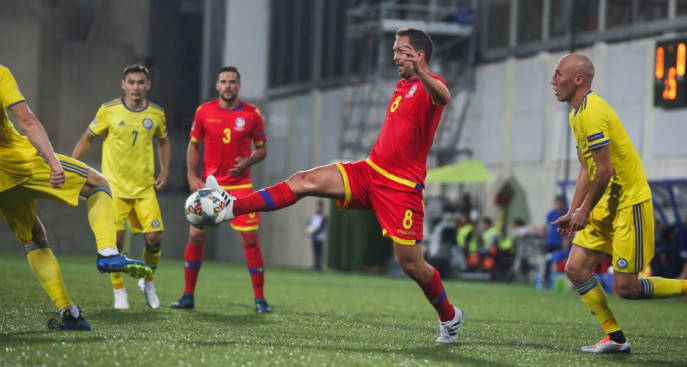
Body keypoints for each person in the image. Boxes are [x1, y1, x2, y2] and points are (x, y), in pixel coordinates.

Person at [197, 28, 464, 343]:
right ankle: (229, 207)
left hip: (401, 187)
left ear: (419, 55)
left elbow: (444, 97)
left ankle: (449, 316)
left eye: (401, 50)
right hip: (371, 170)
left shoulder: (432, 85)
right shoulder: (402, 85)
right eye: (393, 50)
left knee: (411, 264)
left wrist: (422, 72)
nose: (394, 56)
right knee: (303, 181)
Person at [549, 54, 687, 353]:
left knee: (626, 288)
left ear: (578, 79)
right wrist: (574, 210)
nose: (552, 81)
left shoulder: (591, 113)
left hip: (629, 204)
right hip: (604, 204)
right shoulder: (576, 115)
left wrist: (584, 210)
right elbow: (587, 168)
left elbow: (605, 170)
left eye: (558, 74)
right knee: (575, 269)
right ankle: (615, 338)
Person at [0, 65, 152, 330]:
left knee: (34, 237)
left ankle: (68, 312)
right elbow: (26, 120)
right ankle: (107, 252)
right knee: (98, 184)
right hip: (16, 162)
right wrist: (53, 162)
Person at [170, 66, 273, 313]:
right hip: (210, 188)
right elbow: (193, 145)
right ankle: (187, 296)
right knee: (196, 236)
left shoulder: (252, 114)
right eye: (223, 81)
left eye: (232, 81)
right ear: (217, 85)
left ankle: (260, 299)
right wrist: (191, 175)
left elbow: (262, 149)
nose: (228, 85)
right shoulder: (204, 112)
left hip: (241, 187)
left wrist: (248, 160)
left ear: (239, 86)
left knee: (249, 239)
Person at [72, 64, 170, 310]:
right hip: (114, 189)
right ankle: (119, 292)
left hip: (144, 189)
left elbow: (164, 141)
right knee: (115, 242)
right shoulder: (109, 110)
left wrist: (165, 170)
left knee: (154, 238)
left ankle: (148, 283)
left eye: (140, 82)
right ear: (123, 85)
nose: (136, 87)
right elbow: (88, 137)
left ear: (148, 85)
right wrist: (74, 167)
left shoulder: (157, 114)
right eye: (131, 82)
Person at [305, 200, 328, 270]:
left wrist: (314, 232)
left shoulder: (324, 216)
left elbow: (321, 227)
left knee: (319, 252)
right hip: (313, 236)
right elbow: (309, 224)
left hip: (320, 237)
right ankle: (316, 265)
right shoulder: (313, 215)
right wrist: (308, 231)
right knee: (315, 251)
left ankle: (319, 265)